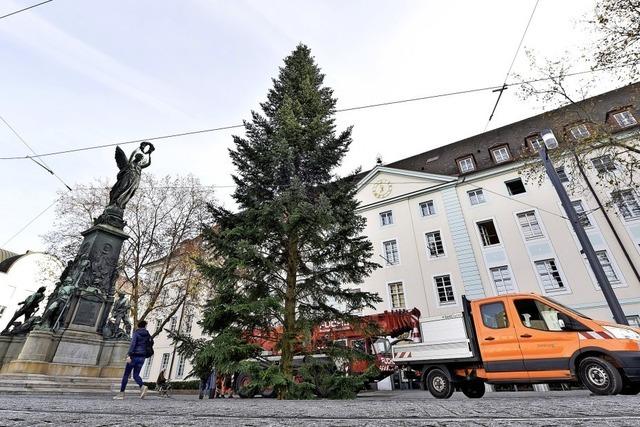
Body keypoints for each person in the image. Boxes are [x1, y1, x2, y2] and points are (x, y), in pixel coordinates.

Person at [113, 320, 153, 399]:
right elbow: (151, 344)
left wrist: (129, 355)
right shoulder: (148, 335)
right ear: (145, 326)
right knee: (136, 375)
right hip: (142, 356)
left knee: (126, 375)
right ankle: (142, 386)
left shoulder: (136, 333)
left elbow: (133, 344)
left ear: (138, 326)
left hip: (134, 355)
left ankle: (121, 393)